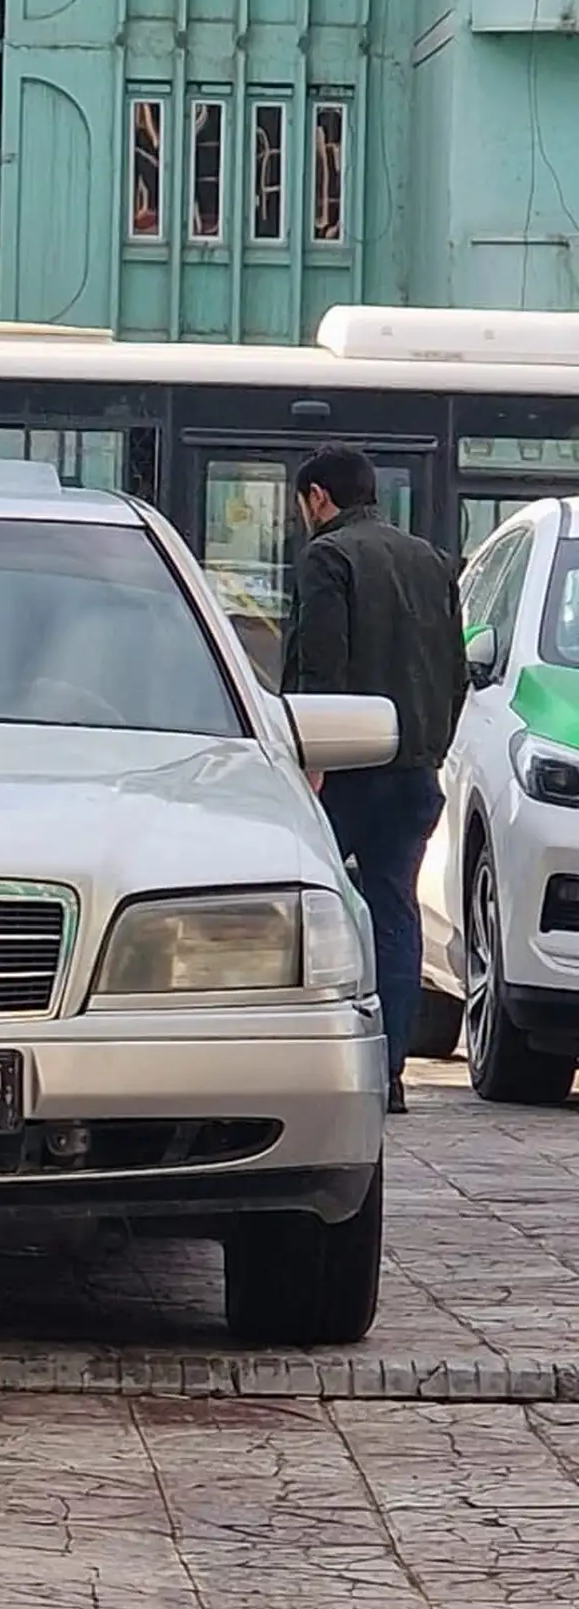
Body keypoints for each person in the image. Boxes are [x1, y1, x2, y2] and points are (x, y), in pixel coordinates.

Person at [282, 444, 469, 1114]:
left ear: (318, 498)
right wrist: (429, 747)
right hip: (416, 770)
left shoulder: (326, 557)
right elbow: (457, 673)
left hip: (344, 771)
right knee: (395, 912)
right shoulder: (430, 560)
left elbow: (320, 668)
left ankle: (316, 1063)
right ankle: (390, 1072)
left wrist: (312, 762)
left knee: (304, 909)